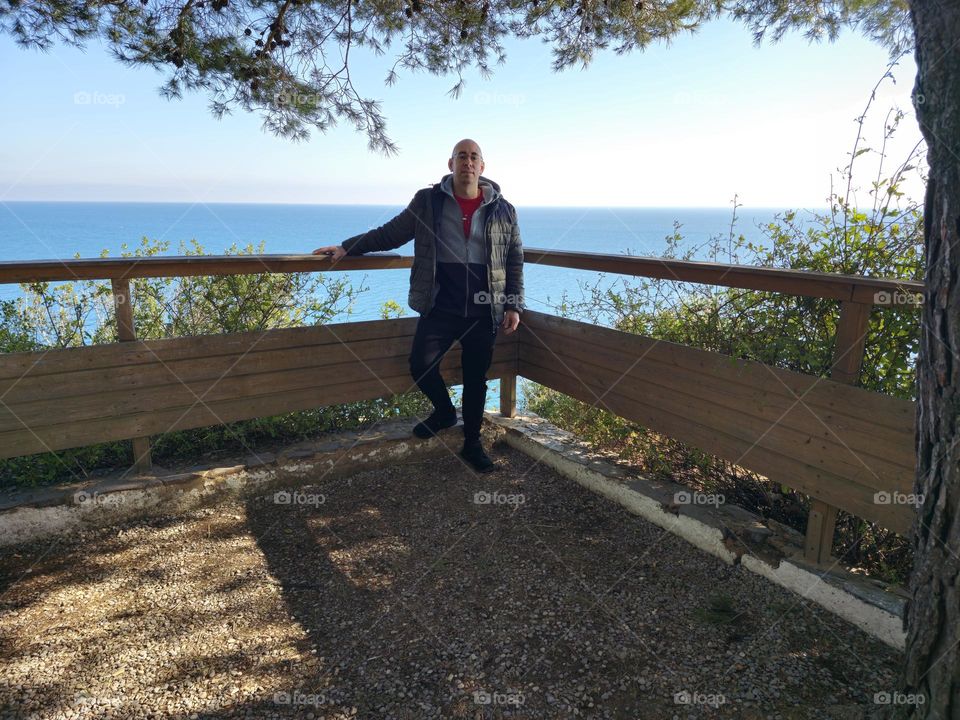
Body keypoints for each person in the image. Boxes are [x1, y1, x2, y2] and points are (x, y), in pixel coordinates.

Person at [313, 139, 525, 473]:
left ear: (482, 167)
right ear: (451, 163)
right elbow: (392, 234)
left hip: (485, 310)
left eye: (473, 157)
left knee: (475, 380)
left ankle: (472, 444)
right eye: (461, 156)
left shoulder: (504, 209)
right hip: (440, 304)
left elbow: (513, 259)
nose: (467, 162)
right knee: (420, 365)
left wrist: (513, 304)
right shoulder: (428, 201)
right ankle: (443, 411)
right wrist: (347, 246)